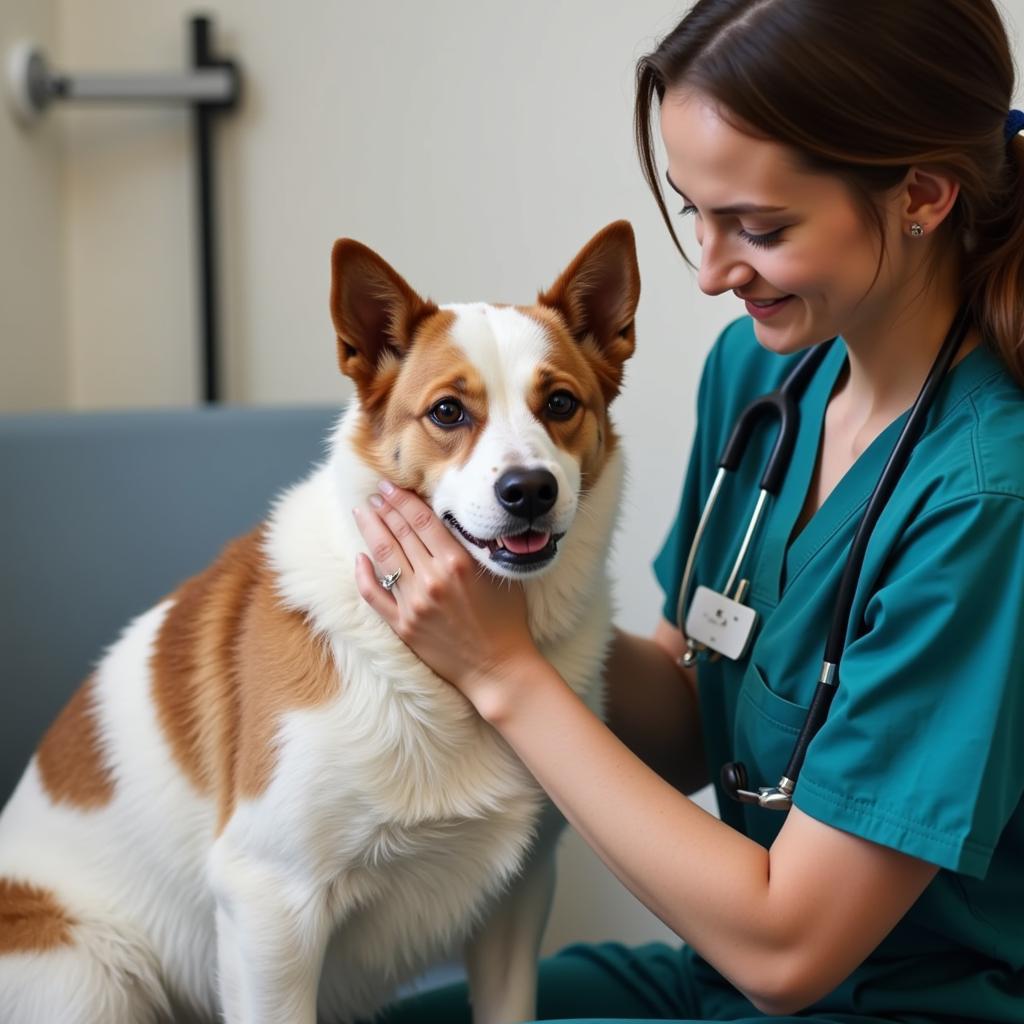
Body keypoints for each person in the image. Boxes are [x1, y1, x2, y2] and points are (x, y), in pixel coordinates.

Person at [350, 1, 1024, 1021]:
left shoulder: (982, 497)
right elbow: (684, 709)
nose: (709, 272)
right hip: (714, 981)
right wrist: (487, 575)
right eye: (692, 211)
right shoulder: (759, 377)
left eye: (759, 227)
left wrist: (502, 667)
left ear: (922, 194)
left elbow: (789, 947)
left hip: (890, 1000)